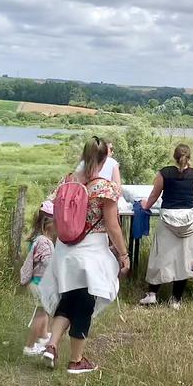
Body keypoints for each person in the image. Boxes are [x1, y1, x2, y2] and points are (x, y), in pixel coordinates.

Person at [39, 137, 130, 373]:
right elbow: (113, 226)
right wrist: (123, 254)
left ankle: (51, 345)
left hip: (65, 249)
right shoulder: (104, 187)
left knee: (69, 299)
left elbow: (49, 208)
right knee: (84, 304)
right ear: (105, 158)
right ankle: (76, 361)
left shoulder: (68, 180)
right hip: (91, 253)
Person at [138, 144, 193, 309]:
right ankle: (176, 300)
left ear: (174, 156)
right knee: (185, 259)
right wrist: (189, 168)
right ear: (189, 157)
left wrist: (146, 206)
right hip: (189, 219)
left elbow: (155, 194)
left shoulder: (164, 173)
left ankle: (152, 294)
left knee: (160, 256)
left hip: (168, 218)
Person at [20, 201, 56, 357]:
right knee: (41, 314)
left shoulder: (41, 239)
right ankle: (29, 346)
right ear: (48, 224)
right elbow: (48, 263)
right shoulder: (43, 242)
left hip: (39, 283)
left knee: (45, 311)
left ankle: (42, 337)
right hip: (39, 284)